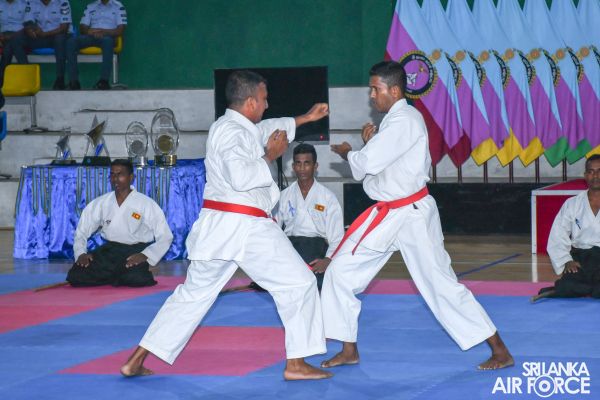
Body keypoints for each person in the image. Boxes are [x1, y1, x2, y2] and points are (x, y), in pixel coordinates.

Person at [120, 70, 333, 380]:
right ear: (250, 102)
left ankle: (135, 360)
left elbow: (268, 129)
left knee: (191, 297)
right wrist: (270, 156)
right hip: (246, 225)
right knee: (299, 283)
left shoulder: (238, 128)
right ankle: (296, 364)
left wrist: (305, 118)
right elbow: (241, 176)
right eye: (264, 99)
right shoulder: (232, 133)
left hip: (221, 229)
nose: (267, 104)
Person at [321, 61, 513, 370]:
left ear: (395, 90)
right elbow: (381, 163)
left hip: (411, 215)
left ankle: (499, 350)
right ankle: (348, 348)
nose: (372, 95)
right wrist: (369, 146)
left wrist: (348, 152)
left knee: (439, 284)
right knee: (340, 272)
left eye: (376, 89)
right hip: (388, 213)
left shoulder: (405, 120)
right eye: (371, 89)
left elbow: (366, 164)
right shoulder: (394, 122)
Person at [66, 159, 173, 287]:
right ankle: (116, 275)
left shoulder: (146, 203)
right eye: (112, 175)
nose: (115, 179)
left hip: (135, 251)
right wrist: (81, 253)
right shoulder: (101, 203)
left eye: (120, 174)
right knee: (76, 275)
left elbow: (165, 236)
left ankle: (120, 274)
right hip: (109, 251)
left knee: (136, 278)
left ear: (131, 177)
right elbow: (81, 232)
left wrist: (145, 255)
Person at [275, 143, 344, 291]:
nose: (302, 168)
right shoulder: (283, 196)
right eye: (298, 163)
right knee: (284, 289)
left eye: (307, 163)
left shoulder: (328, 197)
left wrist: (327, 259)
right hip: (290, 250)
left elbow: (337, 236)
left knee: (320, 287)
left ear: (315, 166)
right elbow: (274, 231)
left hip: (317, 250)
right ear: (293, 166)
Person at [532, 155, 600, 302]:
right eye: (591, 171)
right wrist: (566, 260)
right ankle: (585, 289)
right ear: (585, 175)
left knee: (578, 287)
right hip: (581, 258)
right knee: (570, 283)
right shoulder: (572, 204)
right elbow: (558, 235)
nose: (595, 176)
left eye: (599, 171)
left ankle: (568, 290)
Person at [6, 0, 72, 90]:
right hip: (40, 36)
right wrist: (30, 29)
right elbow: (28, 21)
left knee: (59, 40)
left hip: (59, 35)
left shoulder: (62, 2)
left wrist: (45, 34)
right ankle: (27, 76)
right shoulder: (32, 2)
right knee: (16, 39)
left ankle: (60, 80)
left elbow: (64, 28)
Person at [65, 0, 126, 90]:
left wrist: (103, 32)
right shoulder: (91, 6)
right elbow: (82, 27)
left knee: (108, 42)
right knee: (71, 42)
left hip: (109, 36)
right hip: (91, 36)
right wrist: (88, 31)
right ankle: (74, 82)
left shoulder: (118, 6)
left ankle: (103, 81)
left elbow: (120, 30)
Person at [0, 0, 28, 87]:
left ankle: (1, 81)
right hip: (3, 35)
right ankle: (27, 77)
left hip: (20, 34)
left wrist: (12, 36)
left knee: (9, 47)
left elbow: (28, 25)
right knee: (10, 46)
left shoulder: (24, 4)